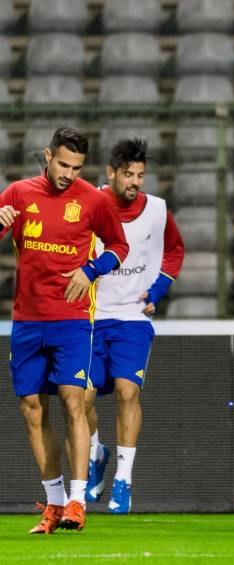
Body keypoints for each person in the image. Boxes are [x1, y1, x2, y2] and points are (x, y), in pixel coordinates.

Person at [0, 127, 129, 533]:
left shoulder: (93, 199)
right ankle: (53, 502)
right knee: (32, 410)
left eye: (76, 167)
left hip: (73, 319)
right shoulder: (18, 194)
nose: (68, 174)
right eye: (62, 164)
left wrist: (90, 269)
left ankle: (77, 501)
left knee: (74, 401)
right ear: (47, 155)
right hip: (26, 320)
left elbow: (118, 247)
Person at [84, 138, 185, 514]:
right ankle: (96, 453)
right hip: (90, 315)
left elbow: (175, 250)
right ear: (111, 173)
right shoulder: (89, 204)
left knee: (128, 392)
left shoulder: (157, 210)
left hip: (131, 316)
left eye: (141, 175)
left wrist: (157, 289)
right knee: (82, 398)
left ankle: (124, 480)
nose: (136, 182)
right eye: (129, 174)